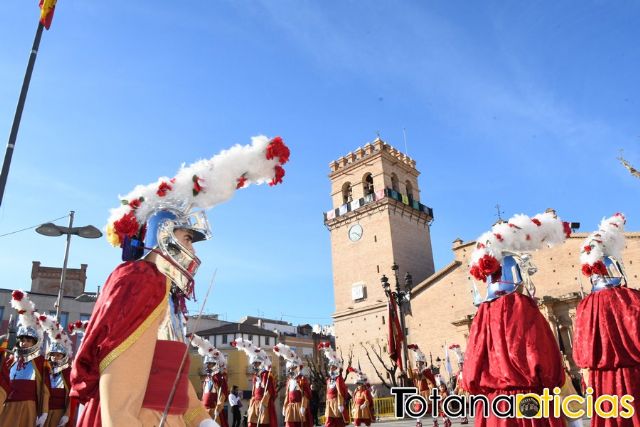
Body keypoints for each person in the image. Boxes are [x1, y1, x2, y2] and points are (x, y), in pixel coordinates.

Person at [68, 136, 289, 427]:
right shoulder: (140, 280)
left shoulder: (164, 291)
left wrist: (200, 419)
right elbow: (121, 372)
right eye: (187, 239)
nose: (193, 250)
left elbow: (168, 373)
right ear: (164, 236)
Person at [463, 210, 569, 427]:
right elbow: (542, 354)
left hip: (494, 407)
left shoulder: (482, 315)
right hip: (531, 404)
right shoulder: (524, 308)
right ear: (518, 277)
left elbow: (471, 368)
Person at [574, 213, 640, 427]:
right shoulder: (630, 298)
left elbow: (580, 353)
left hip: (603, 384)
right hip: (635, 379)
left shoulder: (584, 306)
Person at [0, 290, 50, 427]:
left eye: (28, 340)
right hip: (7, 406)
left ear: (35, 342)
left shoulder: (40, 362)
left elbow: (44, 390)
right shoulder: (10, 359)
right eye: (22, 339)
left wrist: (44, 412)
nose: (24, 343)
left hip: (28, 408)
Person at [232, 338, 277, 427]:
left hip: (264, 404)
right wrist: (251, 403)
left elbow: (269, 391)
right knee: (251, 423)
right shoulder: (255, 376)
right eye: (254, 364)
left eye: (257, 363)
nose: (255, 365)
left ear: (261, 363)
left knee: (263, 424)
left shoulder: (267, 375)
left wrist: (263, 404)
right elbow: (253, 391)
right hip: (255, 403)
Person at [40, 314, 74, 427]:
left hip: (59, 414)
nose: (55, 357)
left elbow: (72, 397)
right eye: (53, 355)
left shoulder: (69, 373)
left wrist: (67, 414)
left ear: (64, 356)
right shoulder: (44, 371)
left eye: (58, 355)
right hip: (43, 413)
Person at [190, 334, 229, 427]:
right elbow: (204, 394)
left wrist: (218, 408)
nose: (207, 366)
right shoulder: (207, 378)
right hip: (204, 410)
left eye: (209, 364)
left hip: (214, 410)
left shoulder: (219, 378)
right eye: (207, 364)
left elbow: (222, 395)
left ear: (215, 364)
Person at [273, 343, 312, 427]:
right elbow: (287, 395)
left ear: (297, 368)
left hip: (300, 406)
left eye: (293, 368)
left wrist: (303, 406)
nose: (291, 370)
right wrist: (284, 406)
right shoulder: (289, 380)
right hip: (290, 407)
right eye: (290, 369)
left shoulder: (302, 379)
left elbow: (306, 394)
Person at [317, 342, 349, 427]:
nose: (331, 369)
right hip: (329, 403)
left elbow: (341, 392)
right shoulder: (328, 380)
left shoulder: (339, 379)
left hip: (337, 402)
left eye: (333, 367)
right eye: (330, 367)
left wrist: (340, 404)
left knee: (338, 422)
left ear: (336, 368)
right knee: (328, 422)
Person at [407, 344, 436, 427]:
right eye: (417, 363)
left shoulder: (426, 371)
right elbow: (410, 376)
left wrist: (422, 374)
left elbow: (431, 381)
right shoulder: (415, 371)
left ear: (423, 363)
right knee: (418, 408)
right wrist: (408, 366)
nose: (418, 365)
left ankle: (435, 421)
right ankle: (418, 422)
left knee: (430, 408)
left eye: (420, 363)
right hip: (419, 393)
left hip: (427, 393)